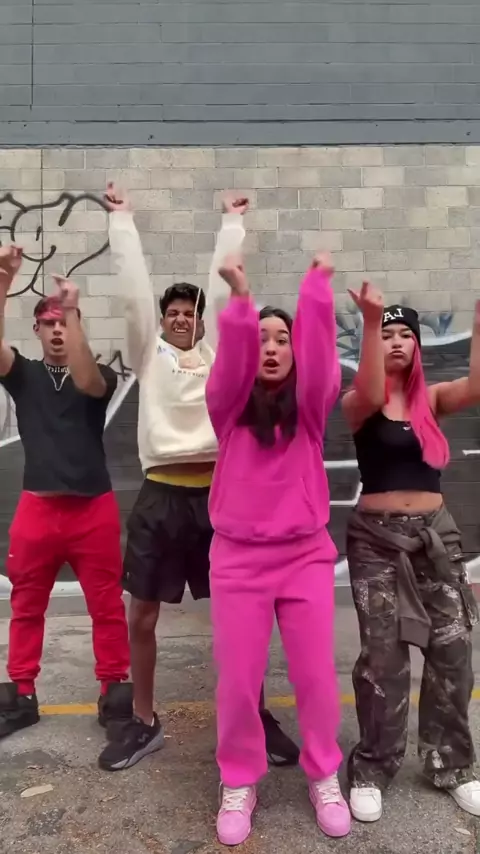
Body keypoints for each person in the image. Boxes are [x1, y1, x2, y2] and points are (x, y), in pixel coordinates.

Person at [98, 184, 299, 772]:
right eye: (173, 314)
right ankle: (143, 720)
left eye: (190, 314)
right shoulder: (148, 354)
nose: (182, 319)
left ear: (200, 322)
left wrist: (232, 223)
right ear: (162, 322)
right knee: (142, 614)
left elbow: (222, 287)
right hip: (160, 498)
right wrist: (121, 221)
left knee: (242, 617)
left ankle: (253, 714)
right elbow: (134, 295)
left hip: (218, 498)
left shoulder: (216, 358)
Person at [206, 251, 351, 846]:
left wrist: (316, 290)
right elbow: (229, 367)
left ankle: (324, 775)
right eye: (261, 338)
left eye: (282, 339)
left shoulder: (310, 411)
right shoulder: (228, 409)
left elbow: (323, 369)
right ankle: (238, 780)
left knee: (315, 676)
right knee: (239, 682)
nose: (270, 347)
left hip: (304, 557)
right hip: (237, 560)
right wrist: (241, 299)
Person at [342, 285, 480, 822]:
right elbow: (371, 389)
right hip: (376, 542)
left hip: (435, 539)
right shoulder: (359, 402)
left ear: (418, 345)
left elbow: (477, 385)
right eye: (388, 335)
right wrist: (370, 321)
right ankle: (373, 767)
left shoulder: (433, 399)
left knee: (453, 651)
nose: (397, 341)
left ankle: (452, 764)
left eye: (406, 335)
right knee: (384, 660)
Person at [0, 246, 132, 744]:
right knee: (26, 606)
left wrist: (73, 310)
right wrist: (4, 278)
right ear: (36, 330)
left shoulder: (98, 375)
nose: (57, 330)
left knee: (107, 607)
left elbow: (88, 382)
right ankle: (21, 694)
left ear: (76, 327)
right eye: (49, 323)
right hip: (38, 510)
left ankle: (114, 692)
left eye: (65, 323)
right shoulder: (25, 375)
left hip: (92, 509)